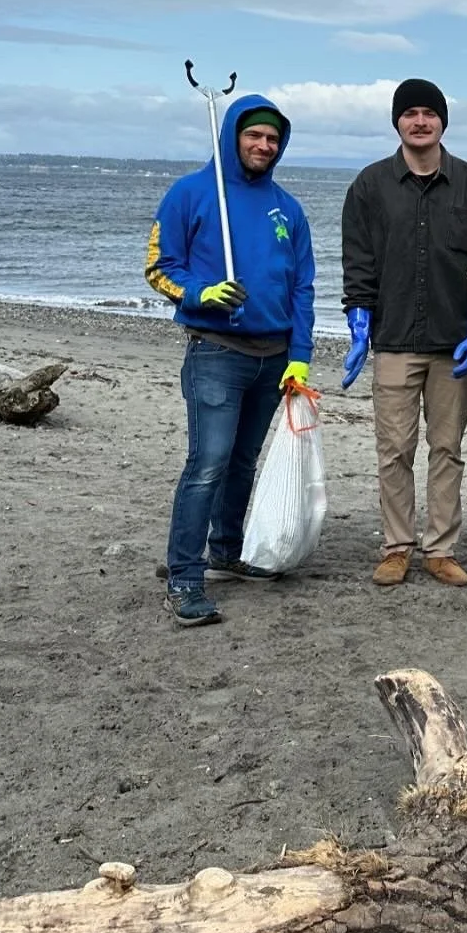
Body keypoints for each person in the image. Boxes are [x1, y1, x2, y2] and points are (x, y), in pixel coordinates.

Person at [145, 95, 315, 627]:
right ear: (233, 136)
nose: (264, 145)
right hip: (216, 352)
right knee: (208, 465)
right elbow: (158, 267)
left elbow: (303, 287)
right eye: (254, 135)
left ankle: (226, 551)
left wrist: (300, 356)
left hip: (274, 358)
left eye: (273, 138)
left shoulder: (288, 208)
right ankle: (184, 576)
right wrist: (201, 293)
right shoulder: (191, 193)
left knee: (243, 463)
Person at [341, 78, 467, 588]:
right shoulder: (369, 186)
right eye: (409, 113)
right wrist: (359, 325)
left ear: (442, 122)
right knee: (394, 450)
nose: (420, 121)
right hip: (392, 340)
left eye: (429, 113)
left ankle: (440, 549)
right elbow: (359, 263)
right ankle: (396, 547)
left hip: (454, 344)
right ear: (397, 122)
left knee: (447, 449)